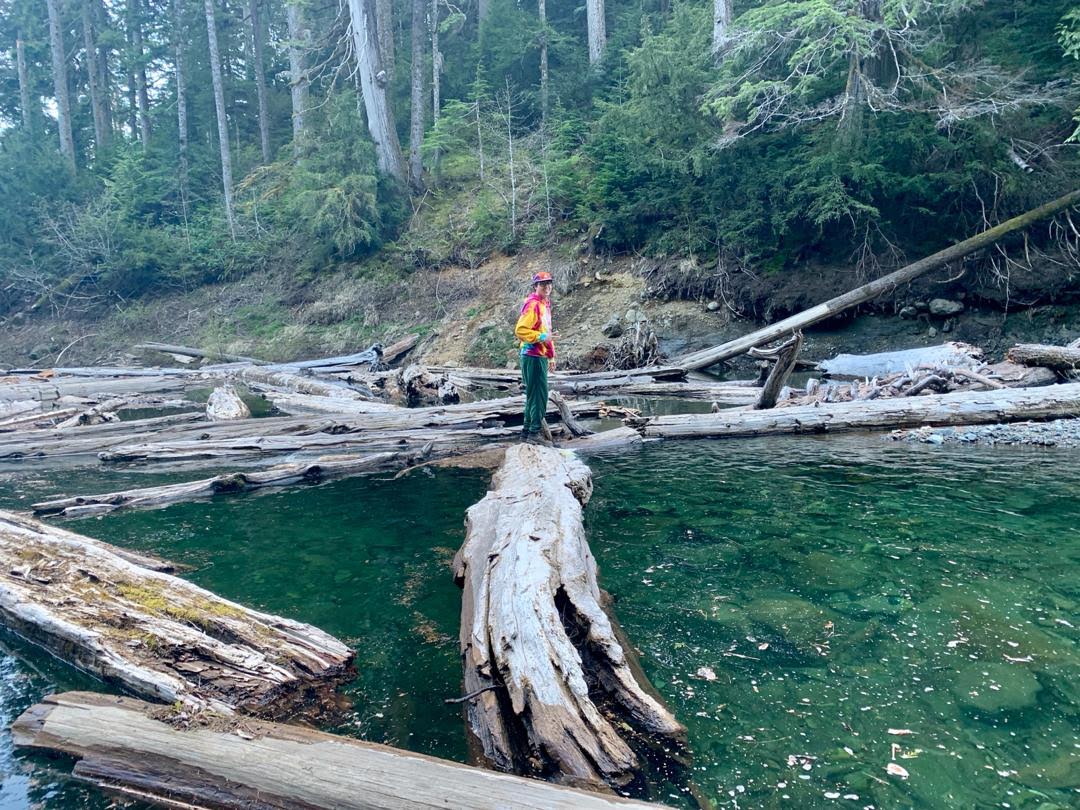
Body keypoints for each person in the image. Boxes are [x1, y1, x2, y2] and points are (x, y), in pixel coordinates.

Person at [514, 271, 557, 444]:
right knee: (539, 395)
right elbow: (521, 330)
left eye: (549, 283)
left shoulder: (544, 304)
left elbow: (547, 333)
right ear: (535, 286)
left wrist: (551, 356)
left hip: (538, 355)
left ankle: (527, 432)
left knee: (533, 395)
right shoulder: (533, 305)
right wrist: (540, 338)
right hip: (533, 355)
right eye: (543, 284)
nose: (547, 287)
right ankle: (534, 434)